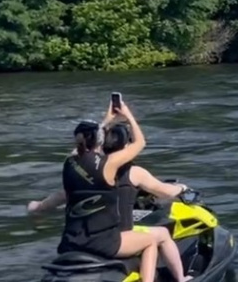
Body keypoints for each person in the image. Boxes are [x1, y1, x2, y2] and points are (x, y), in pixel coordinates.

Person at [32, 101, 191, 282]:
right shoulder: (109, 165)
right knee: (151, 241)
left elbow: (87, 146)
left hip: (71, 242)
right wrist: (128, 115)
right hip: (102, 242)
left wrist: (106, 121)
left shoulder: (70, 162)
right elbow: (140, 143)